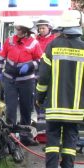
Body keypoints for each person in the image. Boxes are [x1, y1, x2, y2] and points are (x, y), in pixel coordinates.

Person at [36, 10, 84, 168]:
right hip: (76, 109)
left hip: (54, 107)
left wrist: (39, 97)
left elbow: (43, 77)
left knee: (52, 141)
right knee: (71, 141)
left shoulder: (53, 46)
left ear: (62, 28)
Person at [0, 17, 43, 146]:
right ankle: (9, 138)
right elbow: (0, 57)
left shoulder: (34, 43)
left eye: (19, 29)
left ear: (26, 31)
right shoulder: (9, 41)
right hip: (9, 80)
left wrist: (30, 65)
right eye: (16, 28)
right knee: (10, 109)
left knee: (26, 109)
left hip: (27, 81)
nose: (16, 31)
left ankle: (25, 137)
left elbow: (41, 61)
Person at [35, 18, 57, 121]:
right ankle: (40, 119)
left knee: (47, 97)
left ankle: (46, 120)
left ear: (49, 28)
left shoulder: (54, 40)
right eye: (39, 28)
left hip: (49, 72)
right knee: (37, 97)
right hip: (36, 72)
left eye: (43, 28)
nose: (41, 30)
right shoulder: (35, 39)